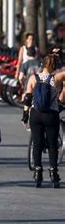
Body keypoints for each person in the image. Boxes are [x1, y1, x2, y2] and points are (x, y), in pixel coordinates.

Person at [21, 54, 65, 188]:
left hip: (36, 114)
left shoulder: (33, 78)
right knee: (52, 145)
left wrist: (25, 115)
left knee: (37, 144)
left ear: (42, 64)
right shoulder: (56, 78)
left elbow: (28, 98)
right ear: (54, 66)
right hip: (51, 114)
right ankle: (54, 174)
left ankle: (38, 173)